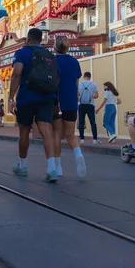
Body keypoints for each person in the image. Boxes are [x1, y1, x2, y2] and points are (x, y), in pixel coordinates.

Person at [8, 28, 59, 183]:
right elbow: (56, 78)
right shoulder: (50, 55)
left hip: (27, 97)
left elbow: (17, 73)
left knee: (24, 131)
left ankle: (22, 165)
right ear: (41, 40)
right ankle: (51, 168)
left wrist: (11, 98)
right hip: (47, 97)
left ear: (28, 40)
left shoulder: (23, 52)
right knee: (46, 131)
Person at [52, 36, 86, 178]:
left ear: (55, 47)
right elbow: (76, 83)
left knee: (56, 135)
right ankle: (78, 154)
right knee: (70, 134)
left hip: (57, 101)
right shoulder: (74, 62)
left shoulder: (52, 61)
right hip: (71, 101)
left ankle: (58, 166)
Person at [78, 72, 99, 144]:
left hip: (81, 105)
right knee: (93, 122)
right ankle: (95, 139)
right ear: (90, 77)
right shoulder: (94, 84)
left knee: (81, 122)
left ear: (84, 76)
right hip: (90, 105)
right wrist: (91, 96)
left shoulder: (79, 84)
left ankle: (82, 139)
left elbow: (77, 94)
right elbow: (96, 96)